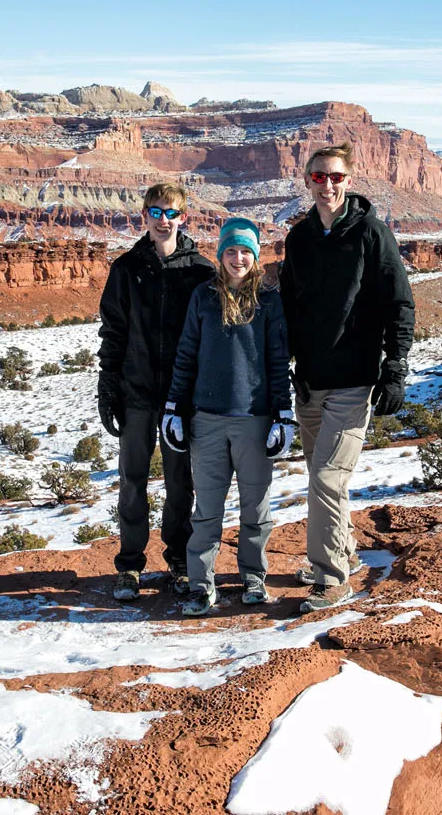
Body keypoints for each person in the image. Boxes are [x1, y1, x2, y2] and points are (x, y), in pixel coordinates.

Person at [279, 142, 415, 612]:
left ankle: (333, 578)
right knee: (323, 478)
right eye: (319, 177)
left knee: (327, 480)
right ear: (307, 181)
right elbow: (289, 311)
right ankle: (343, 552)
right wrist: (288, 368)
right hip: (310, 382)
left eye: (336, 176)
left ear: (349, 181)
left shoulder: (372, 234)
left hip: (354, 382)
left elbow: (400, 303)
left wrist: (394, 367)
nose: (328, 185)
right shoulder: (298, 239)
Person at [162, 217, 294, 616]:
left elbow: (277, 360)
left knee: (256, 508)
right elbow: (185, 355)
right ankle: (203, 586)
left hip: (254, 419)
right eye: (231, 251)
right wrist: (174, 408)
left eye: (246, 252)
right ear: (220, 255)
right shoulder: (203, 297)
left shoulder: (269, 300)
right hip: (207, 420)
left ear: (255, 256)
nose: (238, 258)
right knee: (207, 512)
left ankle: (254, 577)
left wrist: (283, 414)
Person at [97, 183, 215, 602]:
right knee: (132, 481)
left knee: (181, 482)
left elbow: (211, 337)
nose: (163, 219)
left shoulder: (200, 271)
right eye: (155, 211)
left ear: (184, 217)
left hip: (183, 397)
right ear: (143, 216)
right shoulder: (126, 268)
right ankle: (130, 564)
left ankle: (180, 561)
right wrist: (107, 385)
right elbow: (113, 331)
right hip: (136, 393)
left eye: (171, 212)